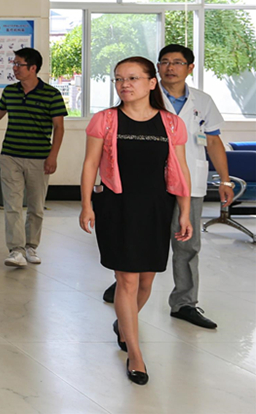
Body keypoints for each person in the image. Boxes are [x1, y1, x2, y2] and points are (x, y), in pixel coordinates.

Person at [101, 45, 234, 330]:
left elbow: (213, 140)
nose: (170, 67)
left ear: (190, 68)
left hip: (188, 183)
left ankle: (185, 302)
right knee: (133, 238)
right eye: (164, 62)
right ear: (156, 69)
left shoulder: (202, 100)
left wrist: (224, 179)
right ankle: (124, 286)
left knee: (187, 245)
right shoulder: (141, 92)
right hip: (144, 187)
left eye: (178, 62)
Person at [80, 56, 192, 385]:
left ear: (151, 83)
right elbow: (90, 165)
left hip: (157, 207)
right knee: (126, 280)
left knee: (146, 281)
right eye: (118, 79)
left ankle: (124, 323)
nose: (124, 85)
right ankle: (135, 353)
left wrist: (185, 211)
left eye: (132, 78)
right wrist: (86, 205)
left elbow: (180, 170)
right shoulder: (105, 120)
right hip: (116, 206)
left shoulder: (171, 124)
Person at [0, 48, 67, 267]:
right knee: (12, 205)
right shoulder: (10, 91)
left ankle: (31, 246)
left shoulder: (51, 94)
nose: (14, 68)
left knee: (36, 207)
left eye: (18, 64)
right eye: (14, 64)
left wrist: (53, 156)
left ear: (33, 68)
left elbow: (59, 127)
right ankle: (16, 250)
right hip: (10, 156)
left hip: (39, 158)